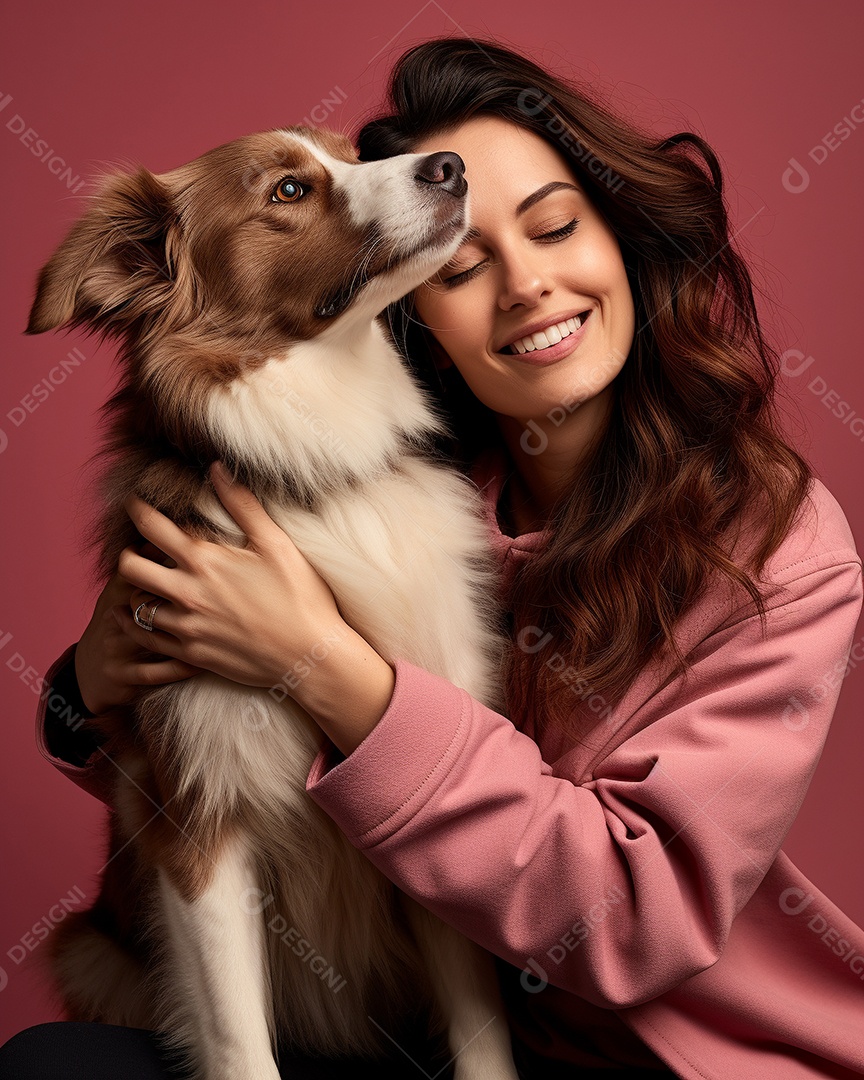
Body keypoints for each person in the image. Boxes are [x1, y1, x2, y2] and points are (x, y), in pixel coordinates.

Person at [3, 35, 863, 1080]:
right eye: (460, 266)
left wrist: (324, 664)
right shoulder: (409, 475)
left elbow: (631, 921)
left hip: (672, 1057)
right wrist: (84, 695)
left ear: (621, 239)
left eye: (554, 227)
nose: (528, 288)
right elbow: (236, 787)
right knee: (53, 1064)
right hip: (404, 1027)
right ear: (410, 301)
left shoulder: (778, 546)